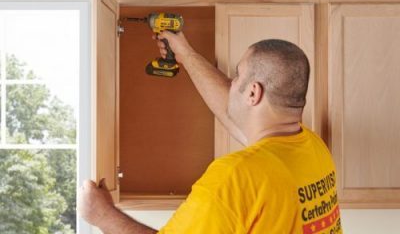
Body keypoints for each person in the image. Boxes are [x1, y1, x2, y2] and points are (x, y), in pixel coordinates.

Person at [78, 31, 343, 234]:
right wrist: (185, 54)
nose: (231, 83)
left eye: (237, 76)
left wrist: (102, 215)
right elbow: (233, 114)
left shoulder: (236, 176)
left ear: (253, 93)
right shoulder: (312, 148)